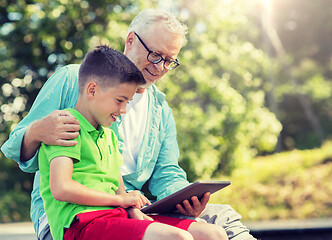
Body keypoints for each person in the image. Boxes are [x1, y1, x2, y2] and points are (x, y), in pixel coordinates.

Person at [1, 9, 256, 240]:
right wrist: (36, 132)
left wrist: (188, 200)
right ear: (131, 40)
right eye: (156, 55)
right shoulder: (75, 78)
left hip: (132, 209)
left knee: (221, 219)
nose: (160, 67)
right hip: (76, 215)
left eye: (170, 61)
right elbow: (18, 149)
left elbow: (166, 173)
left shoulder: (160, 109)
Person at [38, 45, 228, 240]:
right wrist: (119, 200)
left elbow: (120, 190)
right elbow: (62, 188)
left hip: (116, 217)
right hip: (81, 225)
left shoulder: (109, 136)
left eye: (127, 102)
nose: (123, 111)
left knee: (213, 234)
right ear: (92, 90)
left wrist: (135, 213)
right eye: (119, 100)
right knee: (178, 238)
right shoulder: (65, 127)